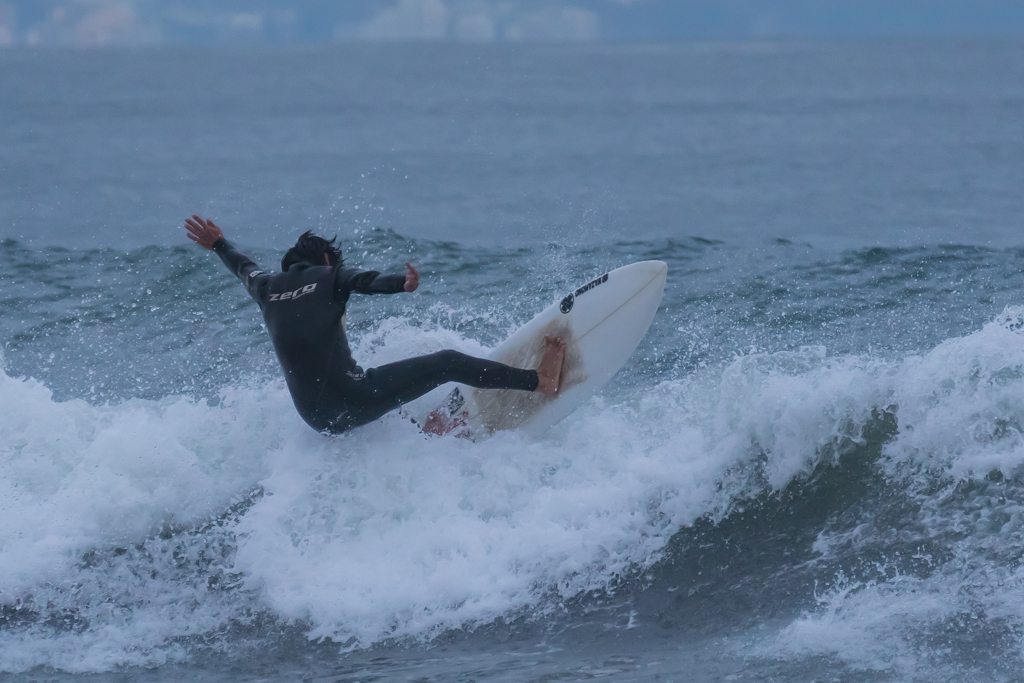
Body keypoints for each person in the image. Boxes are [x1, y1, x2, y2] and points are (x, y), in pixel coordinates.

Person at [184, 215, 565, 434]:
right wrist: (403, 284)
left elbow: (242, 267)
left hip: (317, 419)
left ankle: (428, 433)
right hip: (353, 399)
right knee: (446, 362)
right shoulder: (329, 275)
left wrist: (219, 244)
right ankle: (540, 382)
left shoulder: (267, 288)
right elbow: (363, 281)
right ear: (327, 261)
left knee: (378, 390)